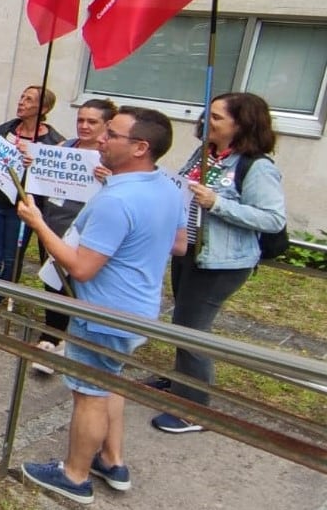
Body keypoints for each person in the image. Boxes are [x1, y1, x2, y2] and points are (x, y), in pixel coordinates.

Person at [16, 107, 187, 505]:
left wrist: (38, 222)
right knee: (110, 382)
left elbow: (81, 267)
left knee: (90, 393)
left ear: (141, 147)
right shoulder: (163, 186)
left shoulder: (119, 199)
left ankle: (74, 476)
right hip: (138, 308)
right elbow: (178, 244)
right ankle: (112, 460)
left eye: (113, 134)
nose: (103, 139)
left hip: (104, 313)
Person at [151, 91, 288, 435]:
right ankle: (183, 382)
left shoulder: (256, 167)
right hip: (191, 252)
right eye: (206, 114)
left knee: (192, 326)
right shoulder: (206, 154)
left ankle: (194, 409)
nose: (205, 121)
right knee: (182, 320)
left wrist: (217, 204)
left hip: (222, 263)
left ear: (241, 124)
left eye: (216, 117)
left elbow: (272, 219)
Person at [0, 85, 65, 327]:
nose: (21, 102)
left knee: (11, 259)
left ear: (44, 108)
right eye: (22, 97)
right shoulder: (7, 129)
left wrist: (35, 161)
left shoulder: (54, 142)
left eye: (29, 99)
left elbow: (51, 179)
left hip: (23, 208)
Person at [30, 98, 116, 374]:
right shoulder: (64, 147)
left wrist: (110, 179)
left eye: (92, 121)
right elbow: (42, 175)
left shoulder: (110, 157)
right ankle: (51, 335)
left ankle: (73, 339)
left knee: (79, 285)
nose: (85, 126)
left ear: (106, 125)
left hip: (87, 231)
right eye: (81, 120)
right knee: (52, 281)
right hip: (54, 223)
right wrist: (36, 162)